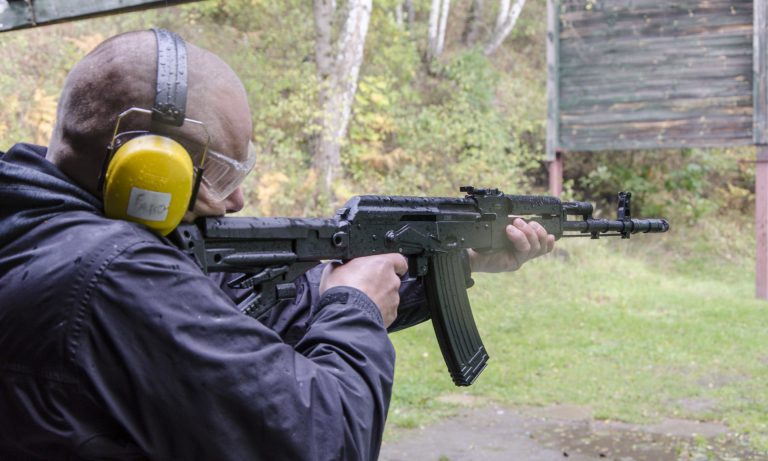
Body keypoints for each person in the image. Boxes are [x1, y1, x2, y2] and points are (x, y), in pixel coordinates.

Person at [0, 30, 554, 460]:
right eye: (217, 172)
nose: (237, 199)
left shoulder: (36, 221)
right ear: (149, 169)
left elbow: (245, 314)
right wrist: (354, 308)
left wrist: (445, 269)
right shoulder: (114, 275)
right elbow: (323, 441)